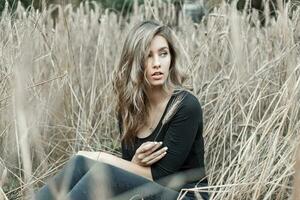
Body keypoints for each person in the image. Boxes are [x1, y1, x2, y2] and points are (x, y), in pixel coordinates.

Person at [34, 20, 209, 200]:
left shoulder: (185, 105)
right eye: (148, 56)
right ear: (135, 60)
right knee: (80, 164)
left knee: (99, 172)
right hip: (148, 193)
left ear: (171, 58)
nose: (157, 63)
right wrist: (134, 163)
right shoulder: (129, 109)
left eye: (163, 54)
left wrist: (100, 157)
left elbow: (160, 176)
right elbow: (130, 172)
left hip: (185, 196)